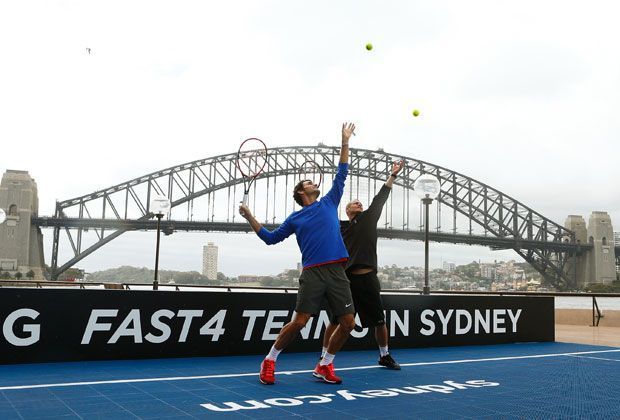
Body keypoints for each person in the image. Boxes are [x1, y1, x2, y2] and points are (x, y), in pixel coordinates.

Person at [239, 122, 356, 385]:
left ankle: (325, 365)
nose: (315, 182)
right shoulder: (295, 218)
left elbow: (342, 171)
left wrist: (344, 141)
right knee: (300, 322)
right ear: (303, 192)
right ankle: (269, 360)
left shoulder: (329, 201)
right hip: (313, 273)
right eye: (309, 182)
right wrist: (249, 216)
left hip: (337, 271)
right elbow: (270, 238)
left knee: (348, 323)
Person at [321, 159, 405, 370]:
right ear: (347, 210)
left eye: (360, 203)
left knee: (379, 320)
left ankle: (384, 356)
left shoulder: (368, 219)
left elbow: (381, 197)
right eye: (354, 203)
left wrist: (393, 174)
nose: (359, 204)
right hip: (345, 281)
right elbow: (320, 216)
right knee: (336, 320)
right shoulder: (338, 226)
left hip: (367, 278)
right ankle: (323, 358)